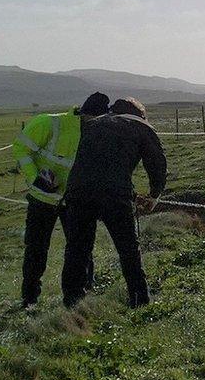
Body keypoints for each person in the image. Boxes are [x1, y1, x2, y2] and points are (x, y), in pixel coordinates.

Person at [61, 97, 167, 308]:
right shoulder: (141, 127)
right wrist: (155, 195)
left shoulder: (92, 125)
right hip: (115, 193)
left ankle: (73, 302)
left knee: (77, 248)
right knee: (128, 248)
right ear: (140, 114)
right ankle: (139, 299)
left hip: (78, 191)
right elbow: (157, 163)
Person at [12, 92, 110, 307]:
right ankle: (29, 299)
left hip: (75, 200)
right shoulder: (48, 123)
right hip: (42, 198)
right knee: (36, 248)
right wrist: (35, 178)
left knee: (80, 248)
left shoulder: (99, 132)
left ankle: (81, 295)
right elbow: (21, 148)